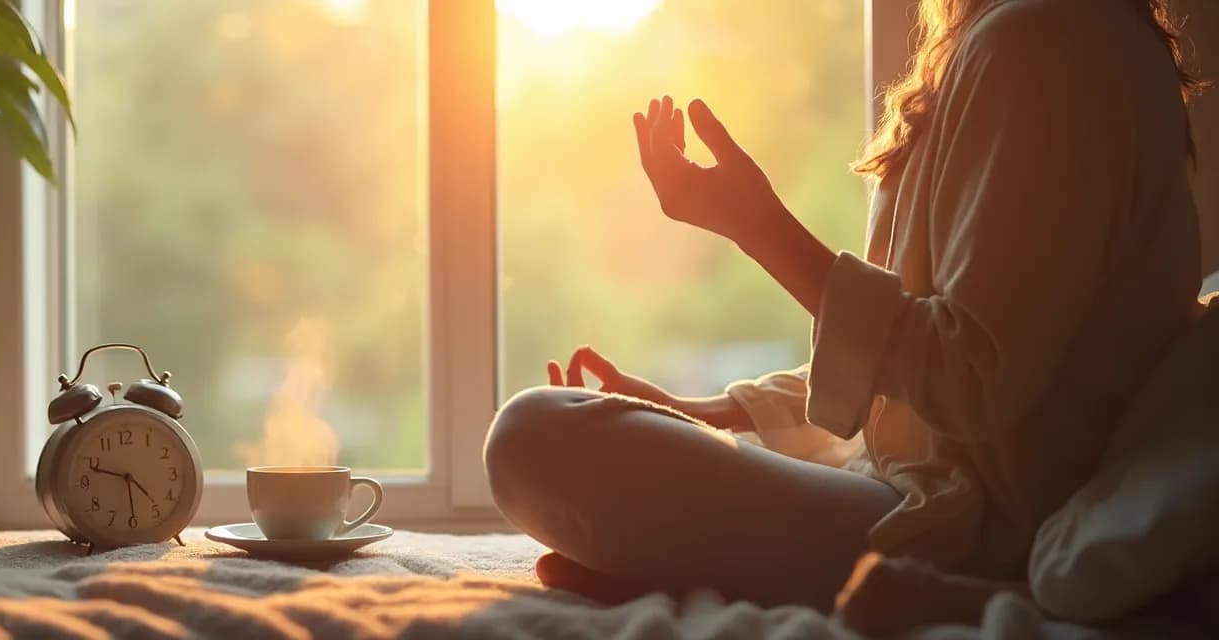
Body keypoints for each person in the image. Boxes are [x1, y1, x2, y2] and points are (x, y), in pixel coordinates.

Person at [482, 0, 1207, 624]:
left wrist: (759, 226)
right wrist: (707, 411)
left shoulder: (1046, 41)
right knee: (551, 433)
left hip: (976, 527)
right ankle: (705, 565)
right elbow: (918, 356)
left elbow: (968, 379)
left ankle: (940, 594)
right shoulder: (1006, 36)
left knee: (531, 436)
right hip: (914, 487)